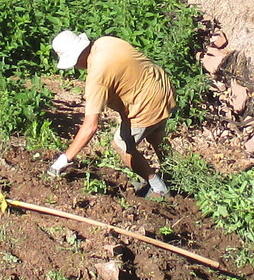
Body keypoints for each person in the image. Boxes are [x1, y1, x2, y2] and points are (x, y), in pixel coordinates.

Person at [46, 29, 175, 197]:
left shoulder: (97, 77)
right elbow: (127, 78)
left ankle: (159, 188)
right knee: (156, 137)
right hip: (163, 88)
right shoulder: (106, 42)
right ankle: (175, 176)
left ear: (76, 58)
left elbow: (90, 126)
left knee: (121, 145)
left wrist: (64, 159)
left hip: (147, 104)